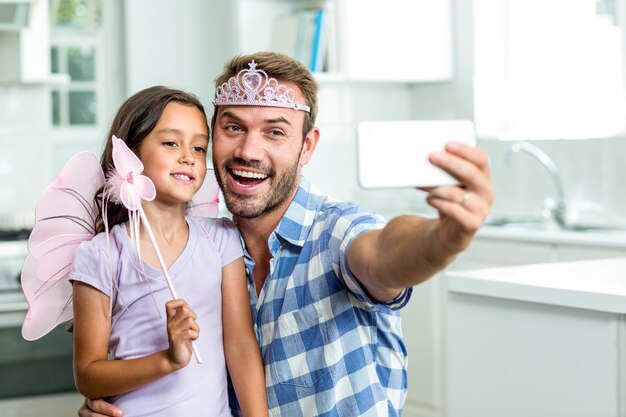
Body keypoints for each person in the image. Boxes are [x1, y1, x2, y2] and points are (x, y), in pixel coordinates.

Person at [80, 52, 493, 417]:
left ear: (307, 146)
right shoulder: (208, 243)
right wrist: (117, 397)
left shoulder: (336, 232)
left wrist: (443, 238)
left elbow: (386, 253)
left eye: (275, 132)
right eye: (233, 128)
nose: (248, 151)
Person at [71, 86, 268, 417]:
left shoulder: (221, 240)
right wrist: (168, 359)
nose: (188, 156)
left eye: (198, 147)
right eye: (170, 143)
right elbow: (88, 377)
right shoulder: (101, 255)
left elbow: (240, 344)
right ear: (130, 155)